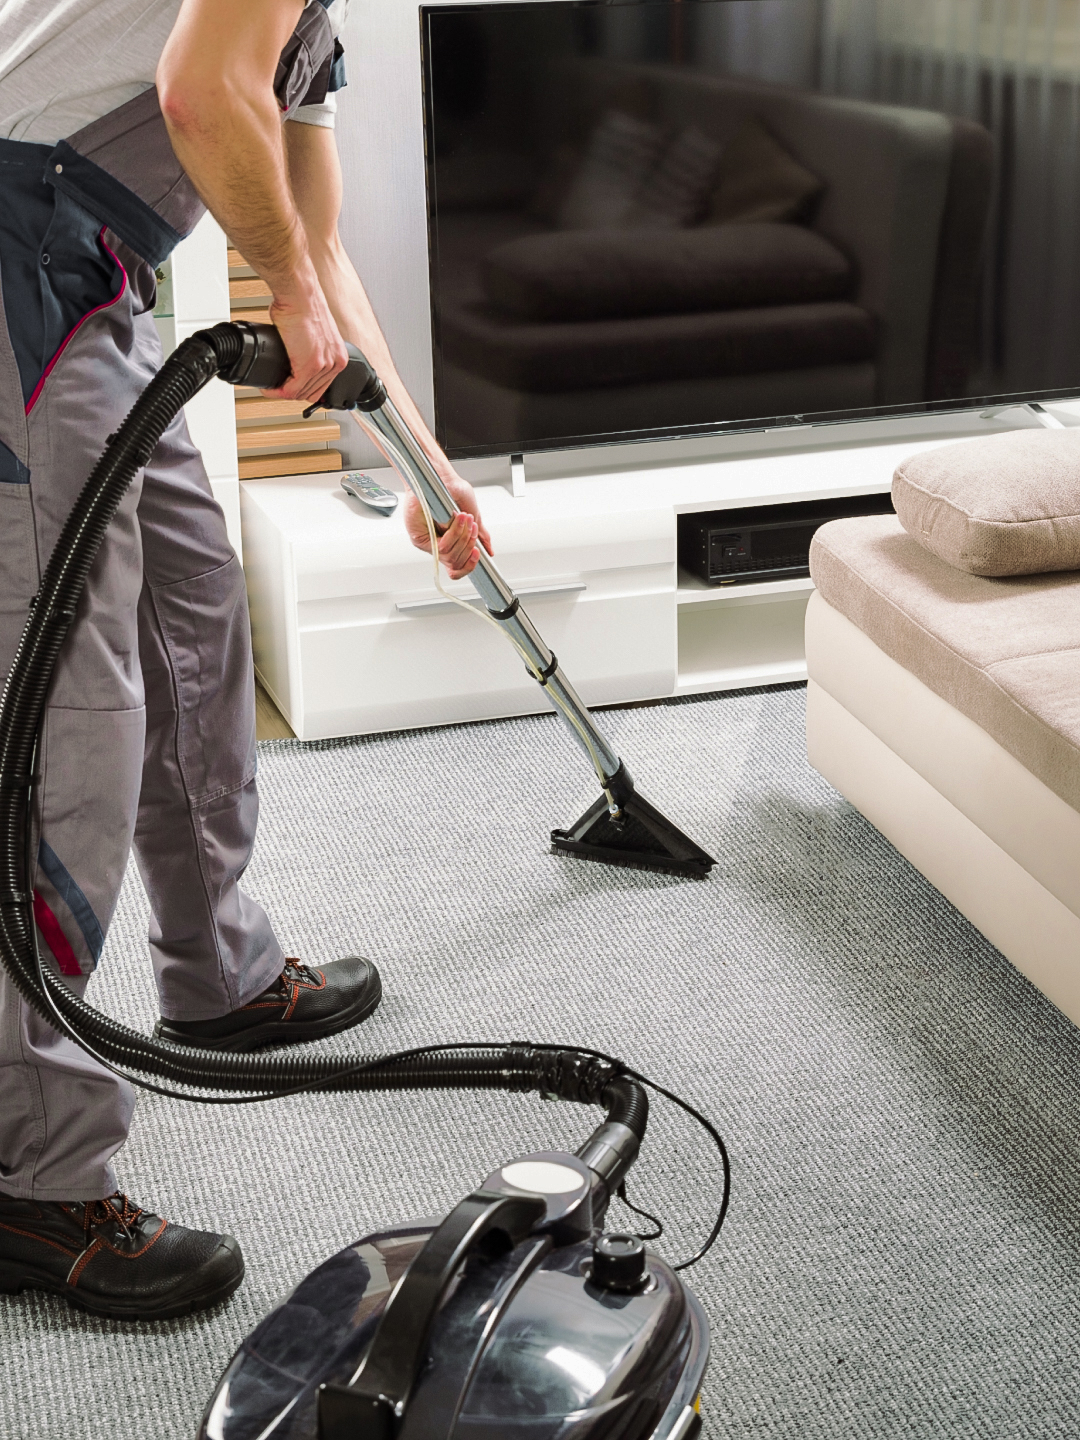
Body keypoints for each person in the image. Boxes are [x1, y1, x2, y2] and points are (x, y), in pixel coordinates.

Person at [0, 0, 492, 1320]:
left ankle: (215, 977)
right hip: (18, 269)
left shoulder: (321, 29)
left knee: (194, 620)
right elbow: (203, 96)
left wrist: (432, 475)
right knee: (64, 729)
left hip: (96, 284)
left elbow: (320, 247)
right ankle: (29, 1170)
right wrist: (277, 280)